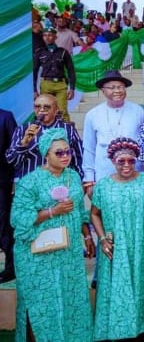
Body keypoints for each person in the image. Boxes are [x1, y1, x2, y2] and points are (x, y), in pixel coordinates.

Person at [10, 128, 94, 341]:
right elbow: (18, 219)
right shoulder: (30, 182)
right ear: (46, 154)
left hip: (68, 250)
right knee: (40, 301)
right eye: (59, 153)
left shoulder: (73, 176)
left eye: (68, 151)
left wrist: (87, 236)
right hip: (38, 253)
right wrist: (51, 212)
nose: (66, 156)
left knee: (70, 297)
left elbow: (79, 210)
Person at [91, 137, 144, 341]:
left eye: (131, 161)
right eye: (121, 161)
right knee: (121, 284)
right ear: (112, 162)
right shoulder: (103, 186)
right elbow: (94, 213)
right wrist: (102, 239)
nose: (126, 165)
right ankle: (122, 330)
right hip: (120, 247)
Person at [82, 70, 144, 197]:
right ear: (103, 91)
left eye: (120, 87)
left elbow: (143, 144)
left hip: (132, 172)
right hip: (105, 174)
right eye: (112, 87)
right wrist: (89, 179)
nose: (117, 90)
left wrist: (143, 173)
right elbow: (89, 148)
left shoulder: (138, 111)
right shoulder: (92, 115)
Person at [7, 94, 83, 181]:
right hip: (30, 185)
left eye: (47, 107)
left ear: (56, 110)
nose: (42, 110)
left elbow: (78, 157)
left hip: (60, 184)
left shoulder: (68, 129)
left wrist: (79, 180)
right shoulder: (22, 129)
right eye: (37, 106)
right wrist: (24, 143)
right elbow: (11, 160)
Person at [33, 28, 76, 122]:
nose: (47, 37)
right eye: (45, 35)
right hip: (46, 84)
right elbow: (34, 71)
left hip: (61, 85)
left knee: (62, 111)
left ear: (55, 37)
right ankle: (45, 134)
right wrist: (34, 90)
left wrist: (72, 88)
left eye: (50, 35)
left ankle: (66, 134)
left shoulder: (63, 52)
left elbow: (71, 70)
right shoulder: (39, 52)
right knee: (45, 110)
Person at [0, 109, 16, 283]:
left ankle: (10, 267)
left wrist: (14, 180)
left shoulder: (6, 117)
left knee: (3, 226)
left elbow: (14, 150)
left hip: (1, 182)